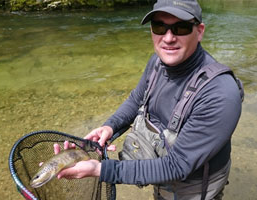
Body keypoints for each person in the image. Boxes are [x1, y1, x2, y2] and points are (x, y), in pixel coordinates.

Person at [55, 0, 243, 199]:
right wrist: (110, 128)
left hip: (194, 185)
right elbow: (137, 100)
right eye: (159, 27)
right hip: (163, 172)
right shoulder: (157, 62)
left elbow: (178, 165)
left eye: (181, 28)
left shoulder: (219, 94)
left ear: (200, 31)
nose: (168, 38)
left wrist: (101, 169)